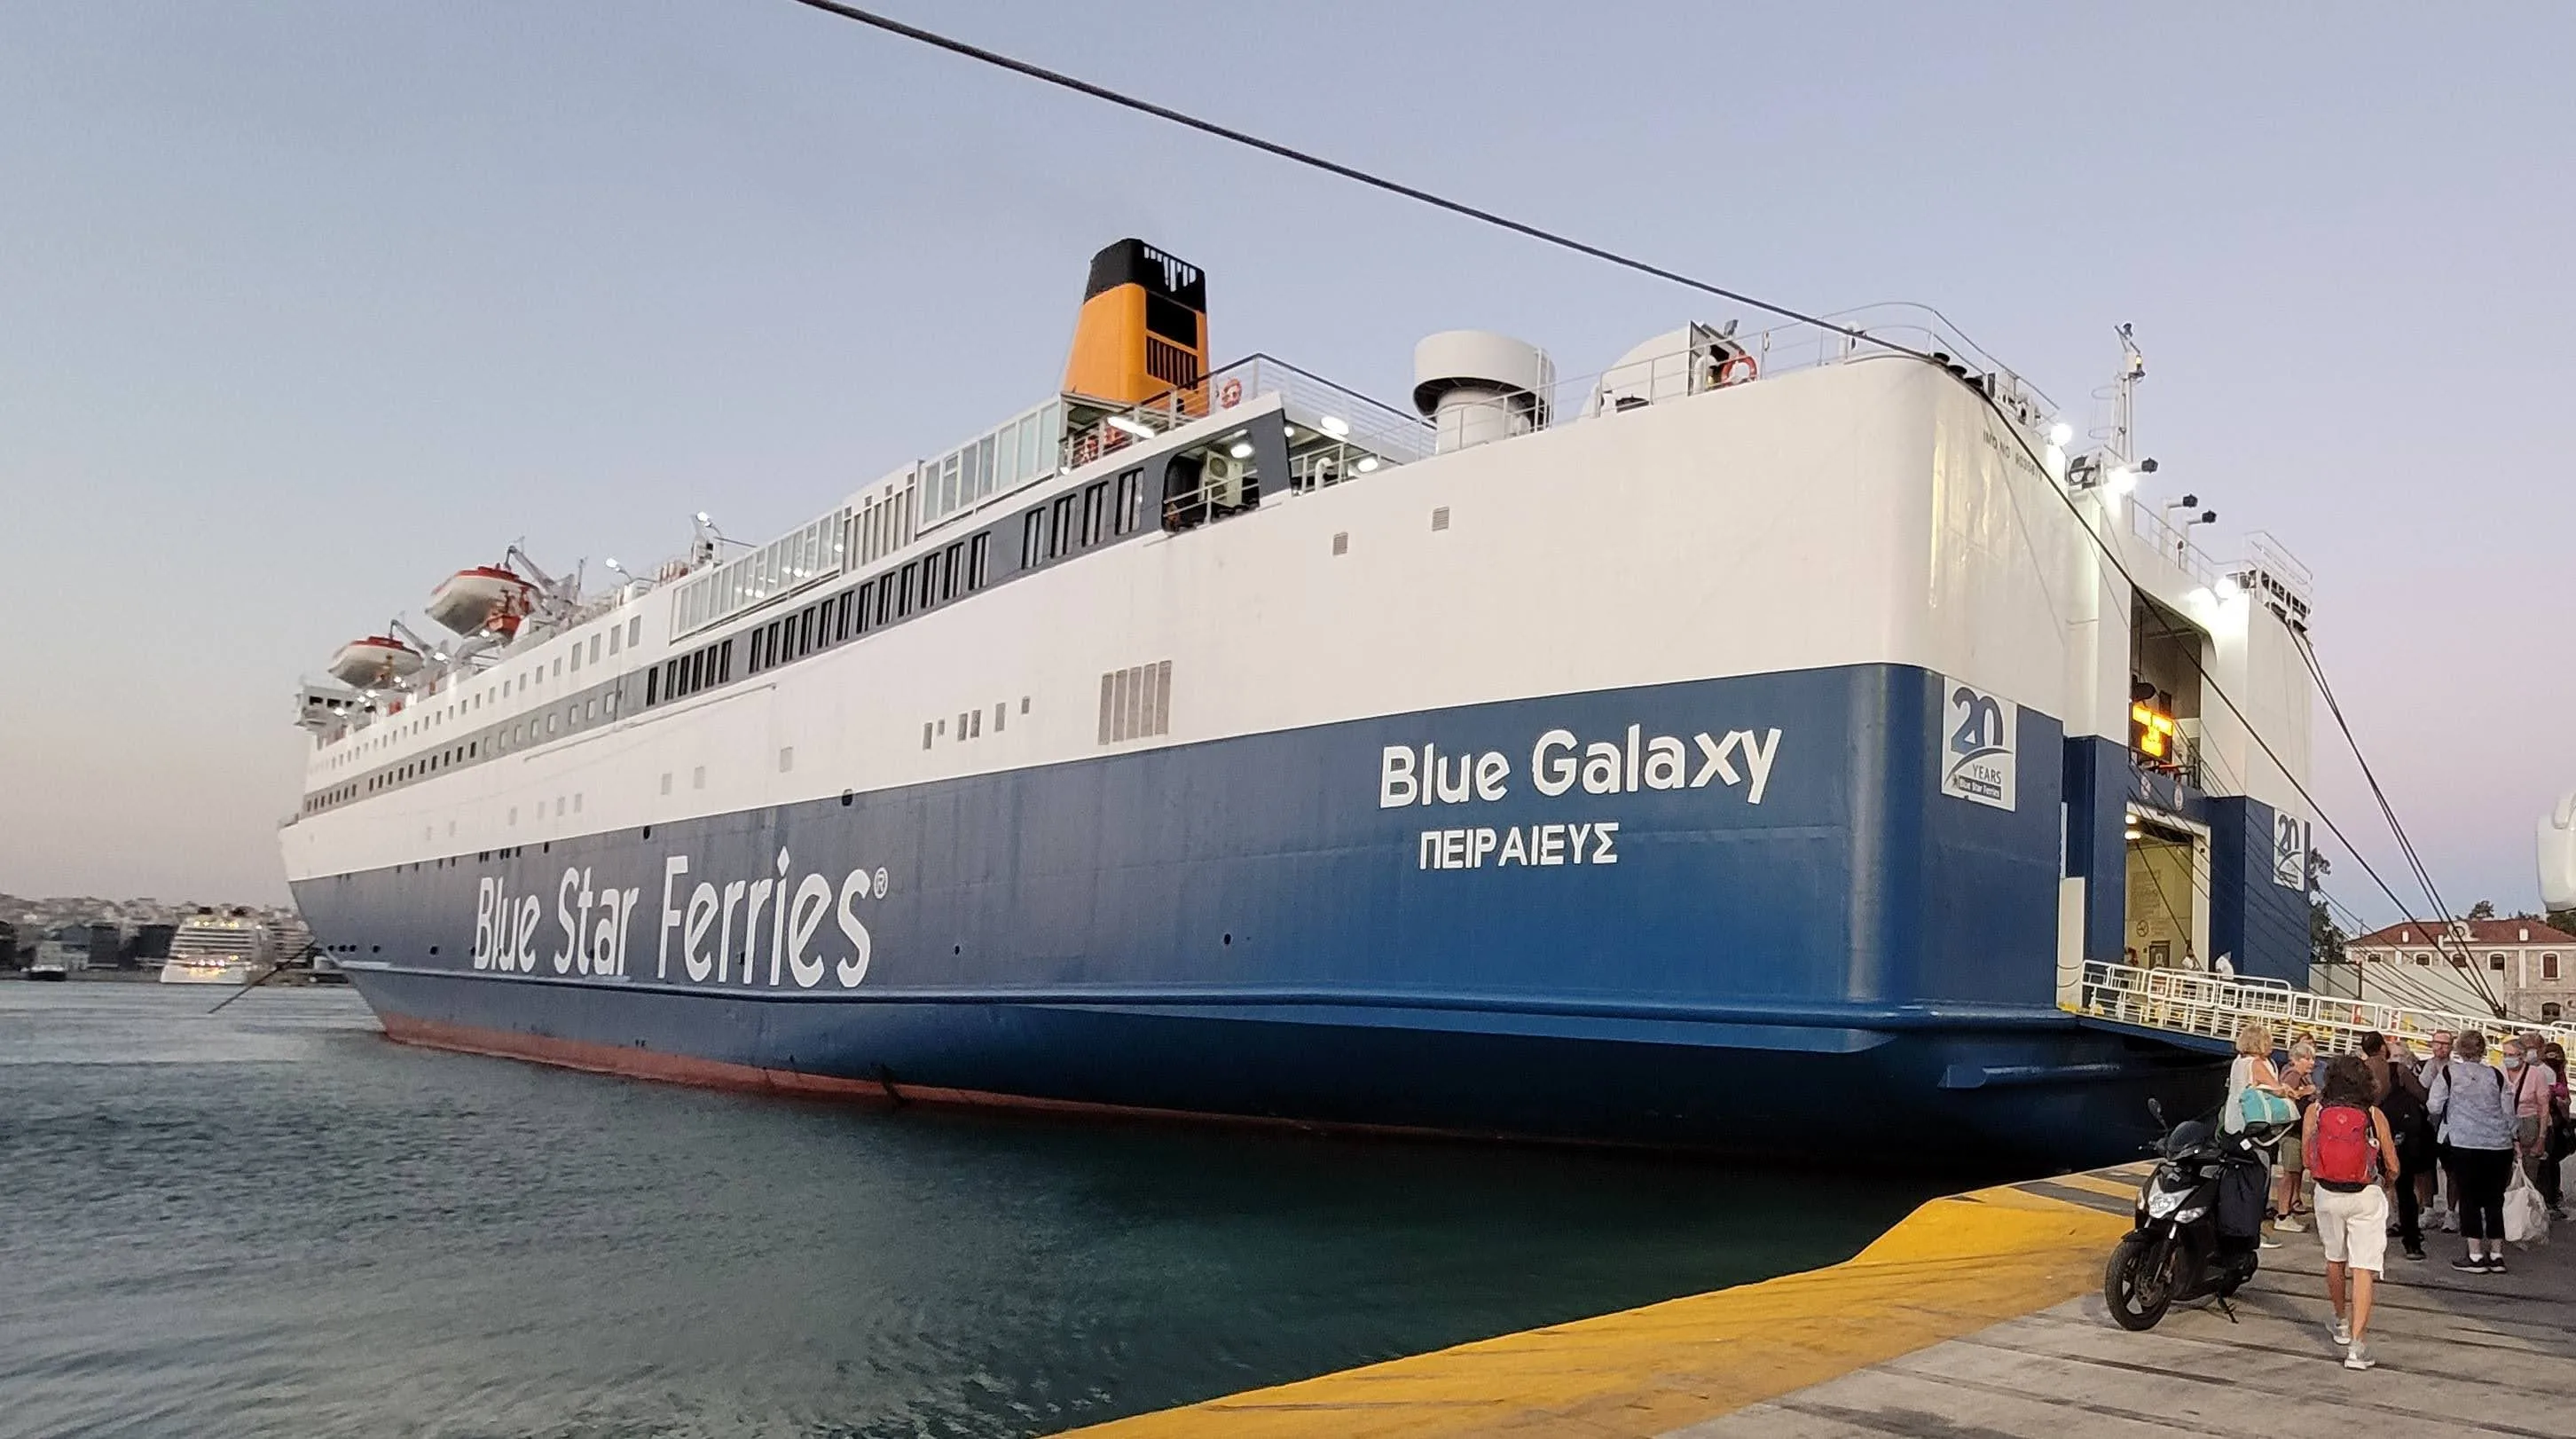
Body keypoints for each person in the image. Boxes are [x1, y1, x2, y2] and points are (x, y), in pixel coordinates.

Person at [2305, 1056, 2398, 1371]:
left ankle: (2341, 1322)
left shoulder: (2315, 1111)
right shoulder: (2373, 1114)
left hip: (2327, 1193)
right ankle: (2357, 1348)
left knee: (2335, 1258)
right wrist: (2387, 1183)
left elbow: (2308, 1159)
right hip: (2365, 1195)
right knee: (2363, 1267)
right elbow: (2393, 1163)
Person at [2428, 1030, 2519, 1272]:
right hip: (2499, 1145)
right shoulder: (2496, 1075)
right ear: (2483, 1050)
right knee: (2494, 1200)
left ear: (2458, 1049)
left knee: (2469, 1198)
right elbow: (2509, 1112)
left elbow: (2433, 1105)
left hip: (2465, 1142)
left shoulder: (2449, 1072)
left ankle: (2475, 1254)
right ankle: (2497, 1254)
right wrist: (2513, 1135)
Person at [2223, 1021, 2288, 1248]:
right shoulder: (2257, 1064)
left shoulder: (2238, 1062)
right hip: (2253, 1127)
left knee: (2240, 1177)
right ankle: (2254, 1231)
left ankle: (2238, 1225)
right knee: (2259, 1177)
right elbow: (2277, 1089)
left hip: (2233, 1124)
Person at [2378, 1044, 2435, 1260]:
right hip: (2401, 1136)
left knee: (2385, 1186)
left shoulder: (2367, 1073)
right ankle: (2411, 1241)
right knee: (2404, 1187)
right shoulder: (2401, 1073)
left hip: (2381, 1134)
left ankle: (2393, 1227)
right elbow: (2423, 1096)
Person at [2271, 1038, 2320, 1231]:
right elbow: (2285, 1095)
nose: (2312, 1062)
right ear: (2297, 1060)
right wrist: (2306, 1091)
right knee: (2289, 1173)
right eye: (2308, 1058)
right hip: (2292, 1131)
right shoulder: (2293, 1075)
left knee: (2295, 1172)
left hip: (2299, 1131)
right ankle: (2283, 1215)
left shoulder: (2302, 1077)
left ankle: (2290, 1207)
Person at [2423, 1029, 2456, 1231]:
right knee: (2426, 1167)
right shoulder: (2427, 1066)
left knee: (2452, 1170)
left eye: (2445, 1044)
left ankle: (2451, 1212)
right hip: (2429, 1123)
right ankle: (2428, 1209)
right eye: (2437, 1043)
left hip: (2448, 1123)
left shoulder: (2454, 1069)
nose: (2440, 1047)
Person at [2543, 1041, 2572, 1220]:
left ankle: (2552, 1196)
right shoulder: (2547, 1074)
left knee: (2552, 1163)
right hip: (2552, 1120)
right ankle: (2551, 1198)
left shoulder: (2558, 1073)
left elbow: (2565, 1097)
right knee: (2550, 1163)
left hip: (2556, 1121)